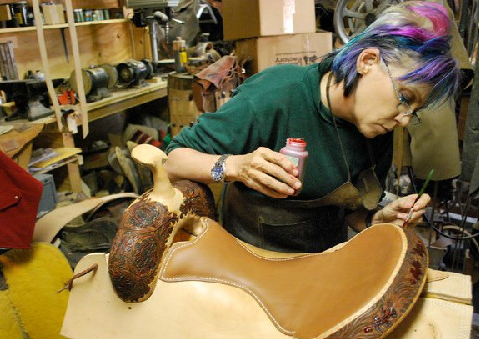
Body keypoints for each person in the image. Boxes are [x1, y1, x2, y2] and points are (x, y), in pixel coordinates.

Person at [164, 1, 461, 253]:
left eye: (414, 111)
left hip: (324, 261)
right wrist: (236, 166)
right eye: (405, 97)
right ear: (368, 61)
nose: (405, 119)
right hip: (247, 258)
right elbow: (172, 161)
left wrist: (375, 221)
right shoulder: (276, 94)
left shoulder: (377, 129)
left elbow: (353, 212)